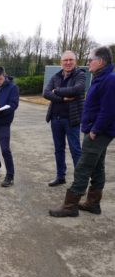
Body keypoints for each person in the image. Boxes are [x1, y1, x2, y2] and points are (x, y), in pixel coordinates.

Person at [49, 46, 115, 217]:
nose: (88, 62)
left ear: (100, 61)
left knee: (83, 166)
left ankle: (70, 206)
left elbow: (108, 110)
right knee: (97, 166)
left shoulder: (109, 80)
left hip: (98, 132)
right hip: (96, 129)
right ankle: (93, 203)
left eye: (90, 59)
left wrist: (95, 130)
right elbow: (47, 92)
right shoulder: (102, 77)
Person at [43, 51, 85, 187]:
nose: (68, 63)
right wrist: (63, 98)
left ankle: (79, 182)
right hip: (56, 119)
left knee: (75, 150)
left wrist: (57, 91)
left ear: (75, 61)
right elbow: (46, 93)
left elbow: (77, 89)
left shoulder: (80, 75)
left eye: (70, 60)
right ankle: (60, 176)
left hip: (71, 120)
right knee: (58, 149)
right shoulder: (56, 76)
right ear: (61, 62)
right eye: (65, 60)